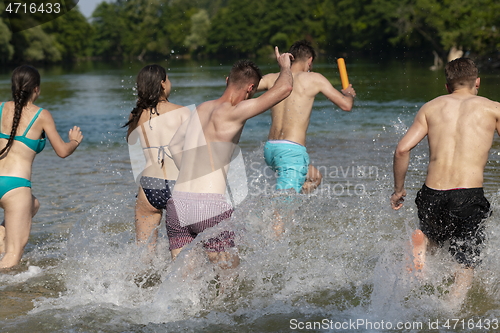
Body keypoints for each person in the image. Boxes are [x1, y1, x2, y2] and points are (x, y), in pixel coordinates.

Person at [167, 47, 293, 269]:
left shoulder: (200, 109)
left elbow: (173, 145)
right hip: (209, 208)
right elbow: (285, 88)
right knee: (231, 280)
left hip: (178, 204)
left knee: (181, 282)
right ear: (251, 88)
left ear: (227, 80)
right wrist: (284, 66)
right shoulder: (236, 111)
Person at [391, 58, 500, 302]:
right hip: (468, 195)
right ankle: (450, 310)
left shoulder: (430, 108)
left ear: (447, 86)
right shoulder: (493, 108)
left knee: (434, 237)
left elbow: (401, 150)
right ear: (478, 82)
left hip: (432, 193)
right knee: (466, 261)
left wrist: (398, 190)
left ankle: (423, 244)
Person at [0, 65, 83, 269]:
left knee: (33, 205)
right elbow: (62, 151)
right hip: (15, 186)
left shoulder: (1, 107)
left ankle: (4, 234)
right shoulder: (41, 115)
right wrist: (74, 141)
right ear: (36, 89)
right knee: (13, 254)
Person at [257, 40, 356, 194]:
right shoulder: (314, 79)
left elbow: (246, 87)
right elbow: (346, 105)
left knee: (314, 178)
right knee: (283, 206)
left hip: (271, 150)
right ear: (309, 61)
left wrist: (283, 69)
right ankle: (276, 215)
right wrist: (348, 94)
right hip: (291, 151)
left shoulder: (272, 78)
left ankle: (286, 210)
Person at [125, 65, 190, 256]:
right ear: (162, 84)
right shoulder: (183, 112)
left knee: (144, 252)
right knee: (181, 252)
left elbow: (131, 142)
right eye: (168, 80)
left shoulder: (136, 114)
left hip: (148, 185)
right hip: (177, 183)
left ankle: (142, 285)